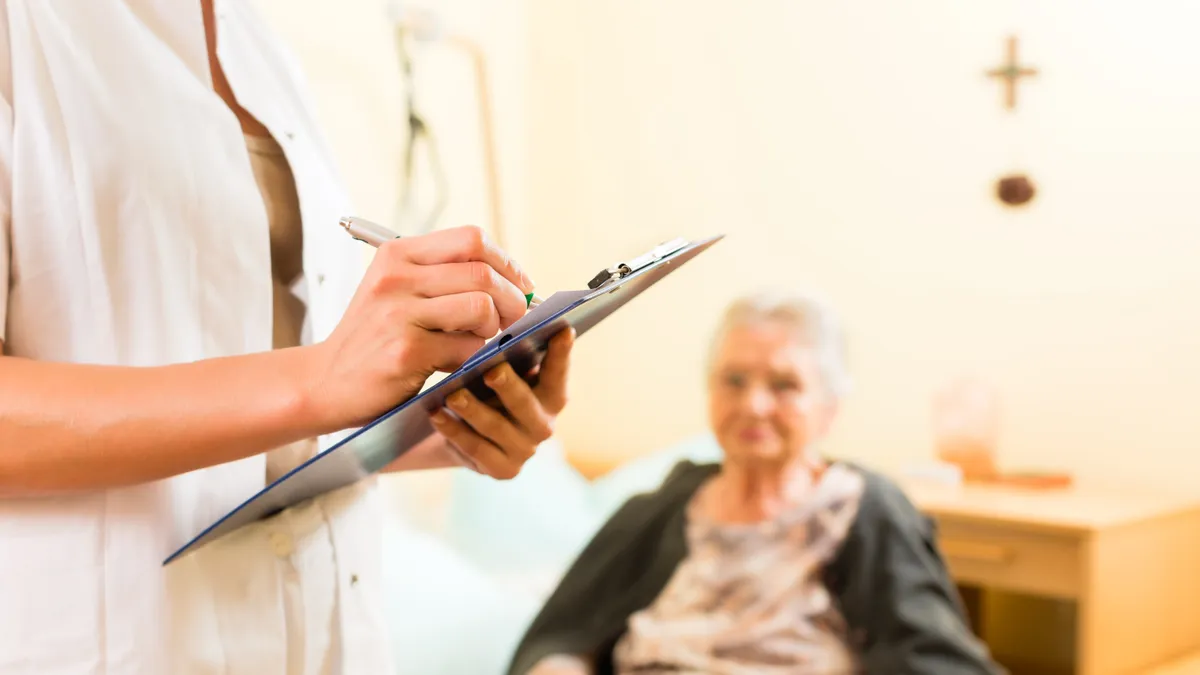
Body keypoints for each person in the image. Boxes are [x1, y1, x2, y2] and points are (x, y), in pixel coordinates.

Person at [0, 1, 573, 673]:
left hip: (330, 631)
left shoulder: (256, 41)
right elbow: (302, 384)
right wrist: (317, 380)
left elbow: (263, 412)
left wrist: (432, 428)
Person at [507, 291, 1003, 675]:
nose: (754, 405)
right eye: (735, 381)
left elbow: (939, 659)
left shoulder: (862, 508)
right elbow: (559, 636)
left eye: (784, 385)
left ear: (828, 408)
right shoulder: (657, 510)